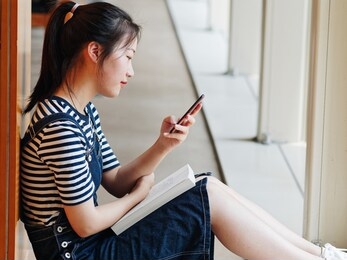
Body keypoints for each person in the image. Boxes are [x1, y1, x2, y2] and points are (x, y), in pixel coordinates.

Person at [20, 1, 347, 260]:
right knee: (206, 199)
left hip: (89, 245)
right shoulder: (60, 126)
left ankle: (318, 254)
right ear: (94, 51)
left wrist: (163, 145)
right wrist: (138, 198)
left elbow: (116, 181)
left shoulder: (80, 110)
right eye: (128, 56)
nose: (131, 71)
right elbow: (86, 221)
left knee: (207, 185)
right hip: (79, 253)